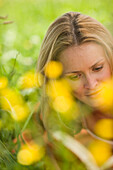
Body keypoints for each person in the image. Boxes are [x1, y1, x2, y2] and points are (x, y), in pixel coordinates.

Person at [37, 11, 113, 148]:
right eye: (75, 76)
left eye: (97, 68)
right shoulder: (49, 118)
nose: (91, 84)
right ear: (57, 79)